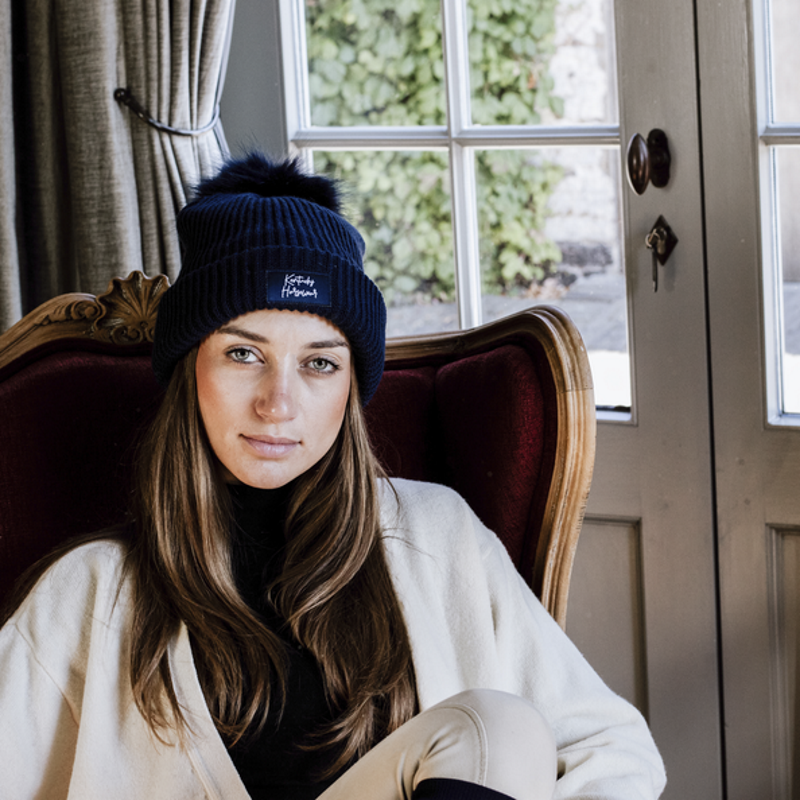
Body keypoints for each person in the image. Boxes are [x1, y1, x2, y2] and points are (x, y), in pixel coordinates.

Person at [0, 154, 666, 800]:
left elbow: (613, 750)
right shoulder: (85, 594)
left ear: (350, 386)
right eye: (241, 354)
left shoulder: (440, 539)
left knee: (502, 730)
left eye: (318, 364)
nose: (277, 404)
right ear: (188, 370)